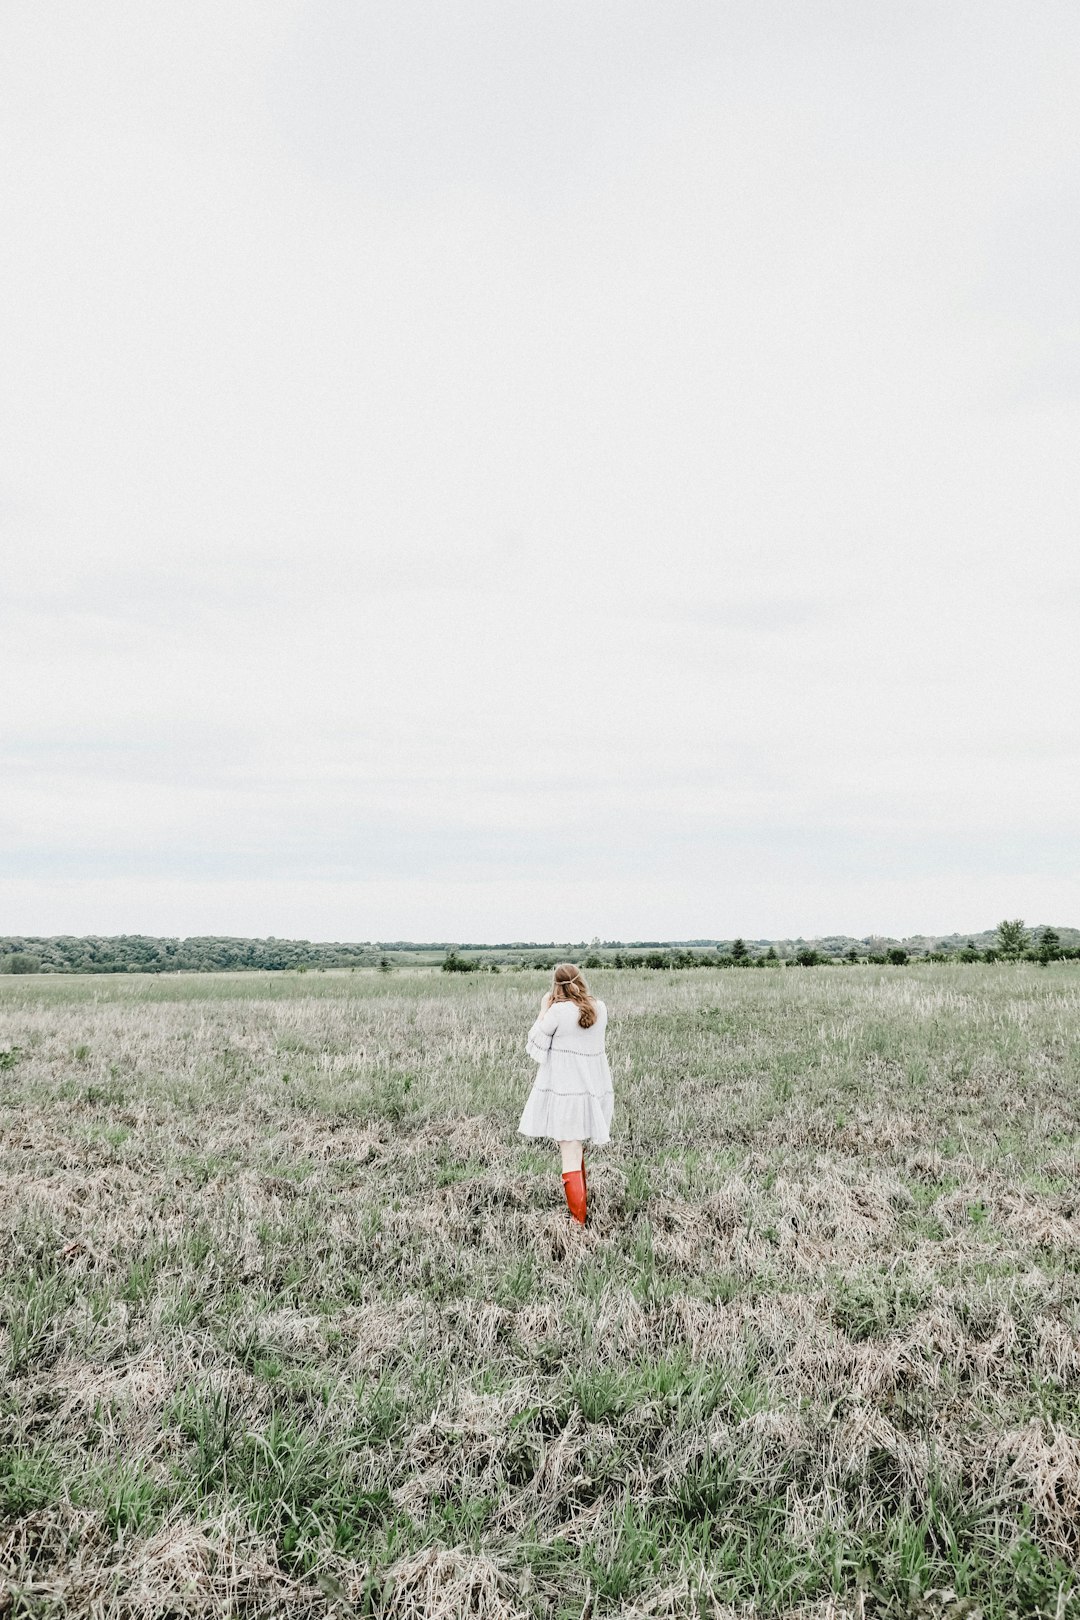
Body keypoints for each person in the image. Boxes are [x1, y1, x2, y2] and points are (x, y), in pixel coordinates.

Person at [518, 962, 614, 1225]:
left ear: (556, 985)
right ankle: (582, 1215)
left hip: (567, 1095)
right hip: (593, 1093)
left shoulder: (558, 1012)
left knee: (570, 1153)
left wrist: (542, 1009)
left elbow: (534, 1043)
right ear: (581, 980)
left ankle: (578, 1223)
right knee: (577, 1149)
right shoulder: (600, 1008)